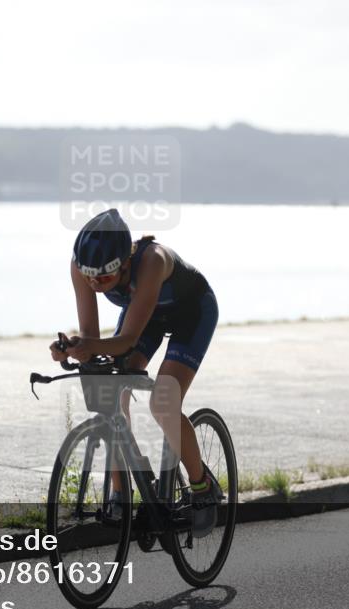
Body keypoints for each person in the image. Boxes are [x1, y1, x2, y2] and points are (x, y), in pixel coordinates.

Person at [50, 208, 222, 537]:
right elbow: (92, 336)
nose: (94, 284)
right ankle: (121, 490)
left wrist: (88, 346)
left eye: (103, 278)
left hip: (191, 314)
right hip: (147, 317)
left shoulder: (153, 261)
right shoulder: (82, 266)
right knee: (108, 390)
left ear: (125, 263)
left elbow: (126, 340)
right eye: (89, 277)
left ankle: (203, 487)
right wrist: (74, 348)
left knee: (163, 402)